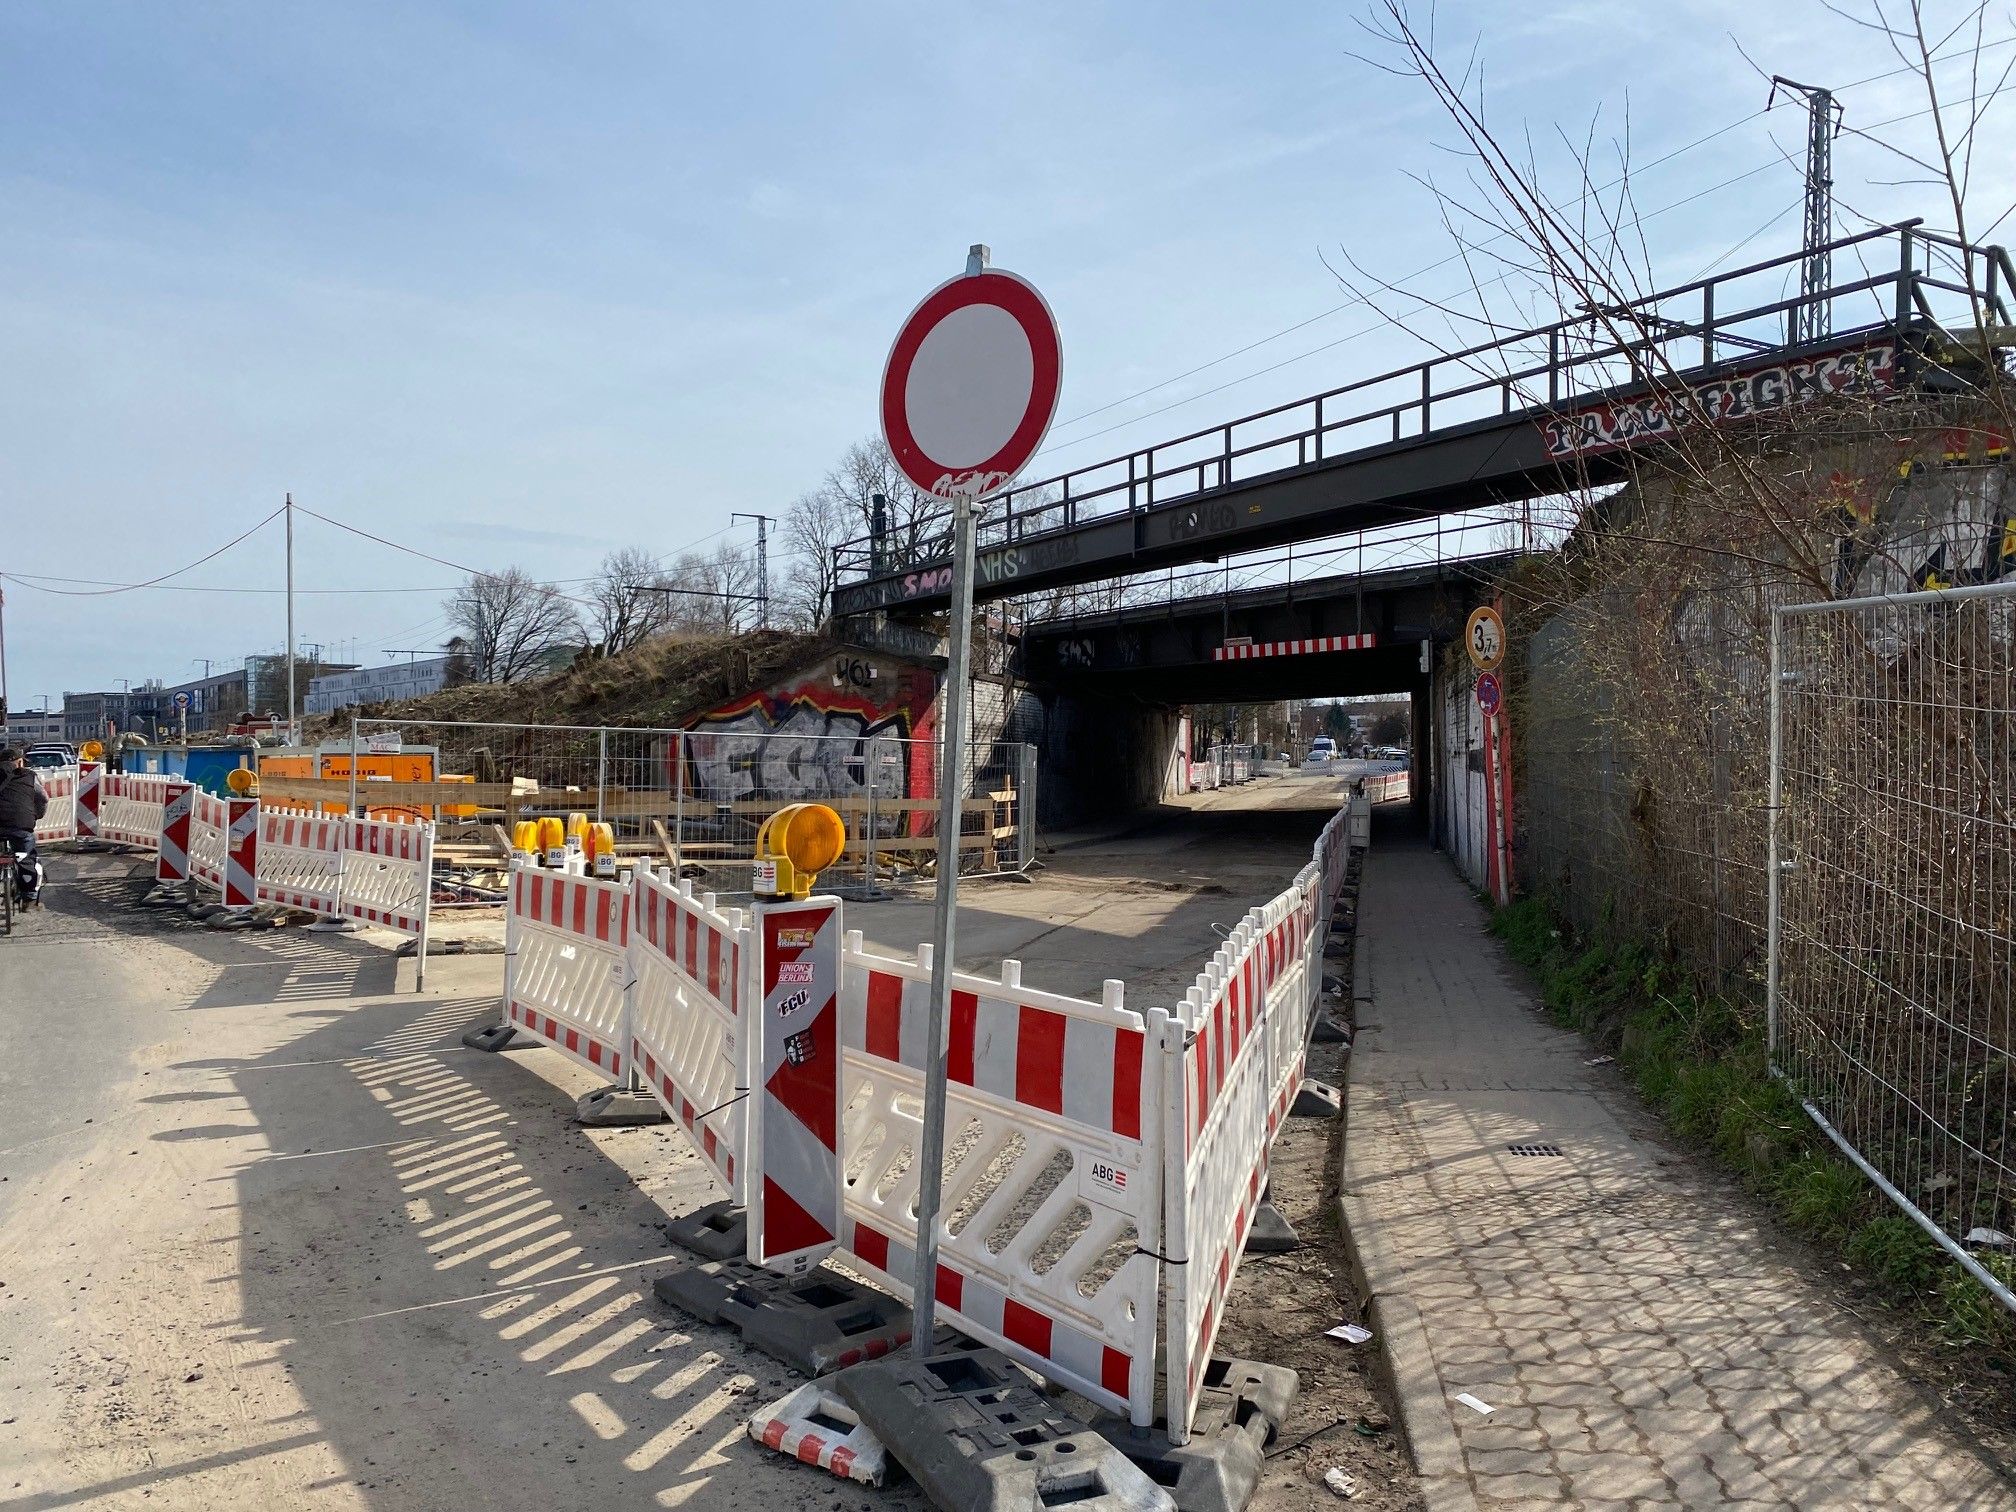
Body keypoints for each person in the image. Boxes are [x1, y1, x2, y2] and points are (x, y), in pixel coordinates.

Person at [0, 746, 48, 907]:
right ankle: (30, 895)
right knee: (26, 856)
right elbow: (42, 798)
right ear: (20, 761)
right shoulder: (29, 776)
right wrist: (37, 814)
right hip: (21, 823)